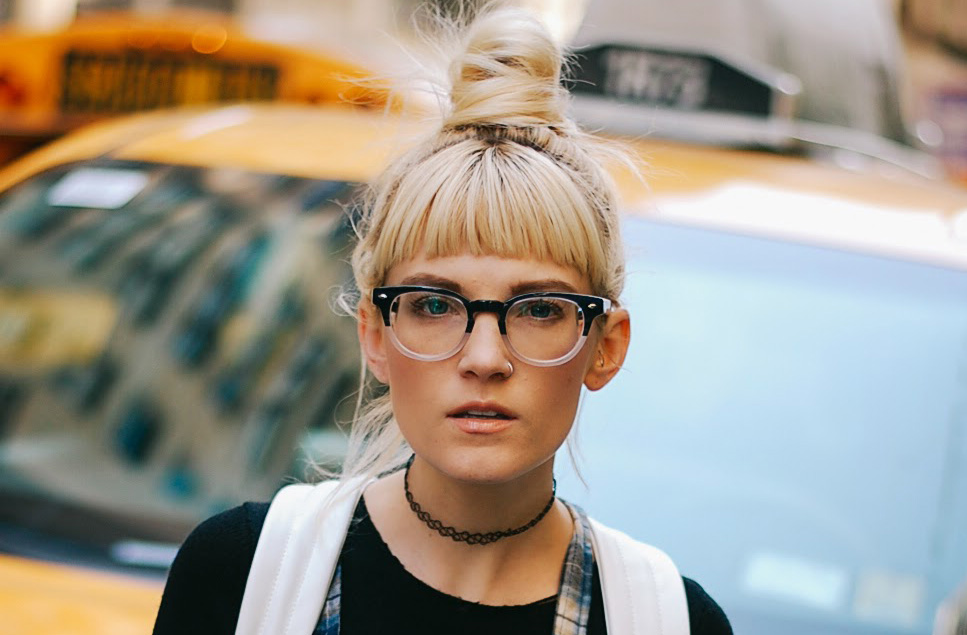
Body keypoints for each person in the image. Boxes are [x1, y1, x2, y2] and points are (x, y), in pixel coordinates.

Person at [153, 4, 732, 634]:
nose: (485, 359)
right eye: (435, 305)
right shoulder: (241, 576)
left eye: (539, 308)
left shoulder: (669, 621)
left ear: (605, 346)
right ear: (374, 335)